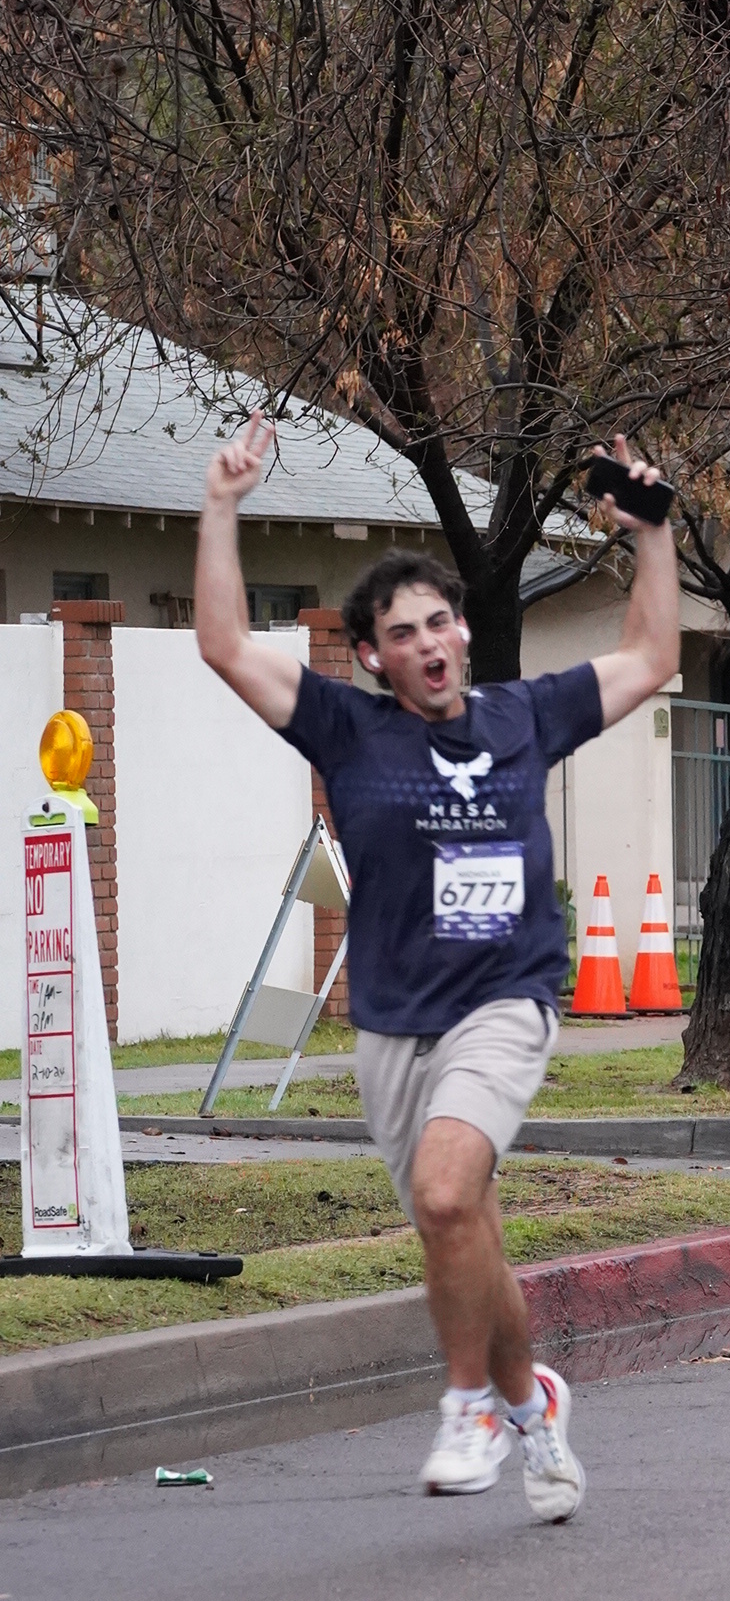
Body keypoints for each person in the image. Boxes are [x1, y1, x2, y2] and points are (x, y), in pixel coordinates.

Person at [195, 414, 681, 1520]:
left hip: (506, 1000)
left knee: (446, 1191)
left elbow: (653, 657)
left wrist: (650, 533)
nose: (428, 643)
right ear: (373, 656)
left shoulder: (526, 715)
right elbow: (222, 644)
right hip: (393, 1023)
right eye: (401, 632)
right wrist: (221, 504)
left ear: (461, 631)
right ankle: (531, 1406)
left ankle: (467, 1404)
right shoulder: (346, 728)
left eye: (439, 622)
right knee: (462, 1231)